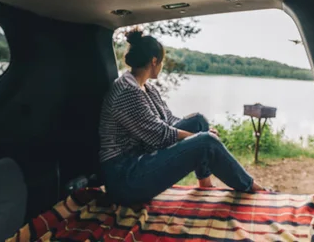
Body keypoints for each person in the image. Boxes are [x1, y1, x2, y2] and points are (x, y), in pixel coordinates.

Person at [98, 30, 266, 204]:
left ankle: (205, 184)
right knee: (206, 141)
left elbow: (169, 120)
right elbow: (159, 136)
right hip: (124, 178)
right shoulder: (127, 92)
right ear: (154, 61)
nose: (161, 66)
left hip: (137, 163)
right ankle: (249, 185)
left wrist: (198, 133)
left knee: (198, 121)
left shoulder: (146, 88)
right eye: (161, 62)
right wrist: (200, 139)